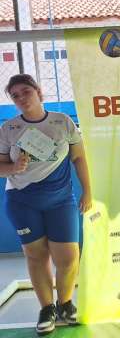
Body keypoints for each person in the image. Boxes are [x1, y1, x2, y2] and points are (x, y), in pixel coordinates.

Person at [0, 74, 92, 336]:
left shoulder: (62, 122)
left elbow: (79, 158)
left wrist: (87, 191)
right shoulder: (8, 128)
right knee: (37, 256)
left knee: (69, 257)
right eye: (15, 95)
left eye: (26, 91)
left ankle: (65, 304)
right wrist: (13, 168)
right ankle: (47, 309)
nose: (21, 98)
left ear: (38, 91)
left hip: (60, 200)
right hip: (22, 202)